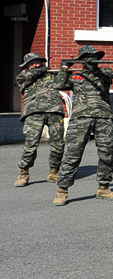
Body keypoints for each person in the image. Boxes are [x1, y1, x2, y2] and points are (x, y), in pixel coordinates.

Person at [54, 45, 113, 205]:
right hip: (80, 118)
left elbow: (106, 78)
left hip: (103, 118)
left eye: (93, 56)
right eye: (87, 57)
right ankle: (62, 190)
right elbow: (59, 85)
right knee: (73, 154)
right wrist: (64, 67)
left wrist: (94, 69)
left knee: (106, 154)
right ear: (81, 60)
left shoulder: (105, 72)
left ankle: (104, 187)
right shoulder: (76, 76)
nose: (91, 59)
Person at [14, 53, 65, 188]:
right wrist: (39, 70)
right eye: (32, 63)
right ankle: (23, 173)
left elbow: (62, 83)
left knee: (58, 144)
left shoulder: (51, 74)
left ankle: (54, 171)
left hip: (54, 111)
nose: (35, 64)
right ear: (26, 66)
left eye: (37, 62)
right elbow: (27, 79)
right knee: (31, 144)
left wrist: (64, 68)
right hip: (33, 112)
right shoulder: (23, 76)